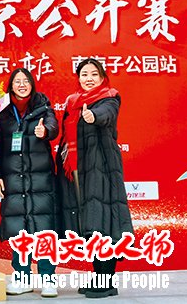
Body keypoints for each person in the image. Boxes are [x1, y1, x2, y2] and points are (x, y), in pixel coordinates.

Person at [55, 58, 132, 299]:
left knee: (104, 222)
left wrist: (93, 116)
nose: (88, 78)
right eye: (84, 74)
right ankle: (100, 276)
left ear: (102, 77)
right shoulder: (72, 102)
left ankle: (107, 281)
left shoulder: (109, 97)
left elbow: (106, 114)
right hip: (78, 171)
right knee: (90, 224)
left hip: (101, 169)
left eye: (93, 74)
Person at [0, 68, 59, 298]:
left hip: (41, 179)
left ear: (32, 84)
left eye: (26, 81)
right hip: (12, 179)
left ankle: (48, 278)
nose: (22, 85)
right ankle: (22, 278)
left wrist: (45, 131)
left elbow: (53, 127)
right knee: (19, 229)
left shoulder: (43, 107)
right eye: (17, 81)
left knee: (44, 228)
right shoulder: (1, 112)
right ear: (10, 86)